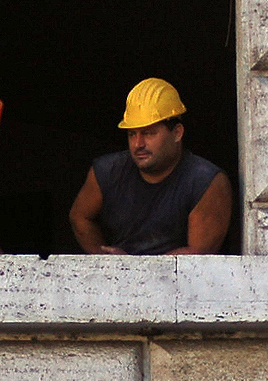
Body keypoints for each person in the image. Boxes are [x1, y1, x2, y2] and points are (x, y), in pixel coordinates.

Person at [68, 78, 231, 255]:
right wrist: (104, 259)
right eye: (132, 134)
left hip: (180, 281)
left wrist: (134, 268)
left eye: (149, 133)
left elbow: (198, 254)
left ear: (177, 133)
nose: (138, 144)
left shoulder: (206, 181)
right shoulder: (107, 172)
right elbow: (80, 217)